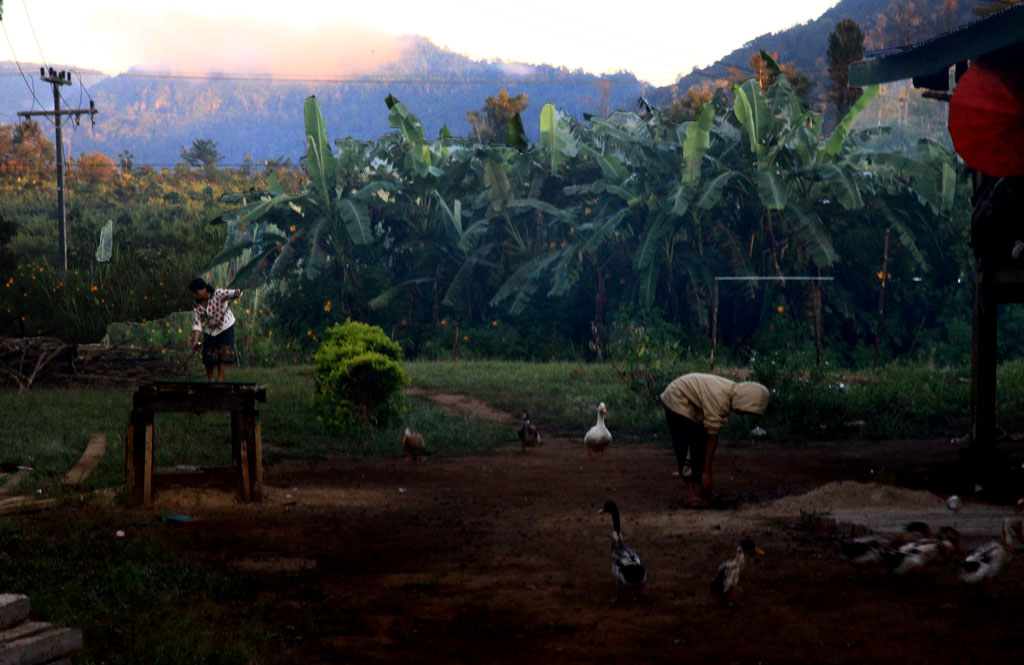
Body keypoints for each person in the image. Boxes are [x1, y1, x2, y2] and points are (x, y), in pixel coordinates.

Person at [660, 373, 769, 508]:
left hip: (686, 400)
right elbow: (712, 439)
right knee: (689, 443)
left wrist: (706, 473)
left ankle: (701, 491)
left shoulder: (728, 392)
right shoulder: (720, 399)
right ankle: (690, 494)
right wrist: (707, 474)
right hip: (676, 398)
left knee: (699, 441)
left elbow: (709, 436)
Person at [189, 277, 243, 382]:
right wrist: (196, 341)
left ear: (204, 289)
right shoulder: (196, 305)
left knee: (223, 354)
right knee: (208, 356)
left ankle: (220, 380)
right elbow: (197, 323)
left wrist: (237, 293)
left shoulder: (218, 294)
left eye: (196, 292)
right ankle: (211, 380)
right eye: (193, 293)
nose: (195, 295)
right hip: (211, 329)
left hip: (226, 326)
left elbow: (234, 293)